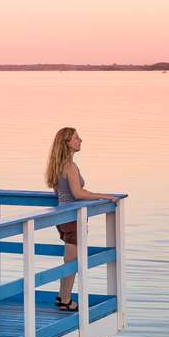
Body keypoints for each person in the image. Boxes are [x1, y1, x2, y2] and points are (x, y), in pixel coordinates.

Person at [44, 126, 118, 313]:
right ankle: (66, 299)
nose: (80, 140)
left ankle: (63, 296)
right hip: (72, 219)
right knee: (71, 261)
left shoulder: (57, 165)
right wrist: (104, 196)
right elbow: (77, 193)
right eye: (76, 138)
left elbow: (60, 193)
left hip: (62, 216)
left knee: (70, 259)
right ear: (67, 143)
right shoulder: (69, 166)